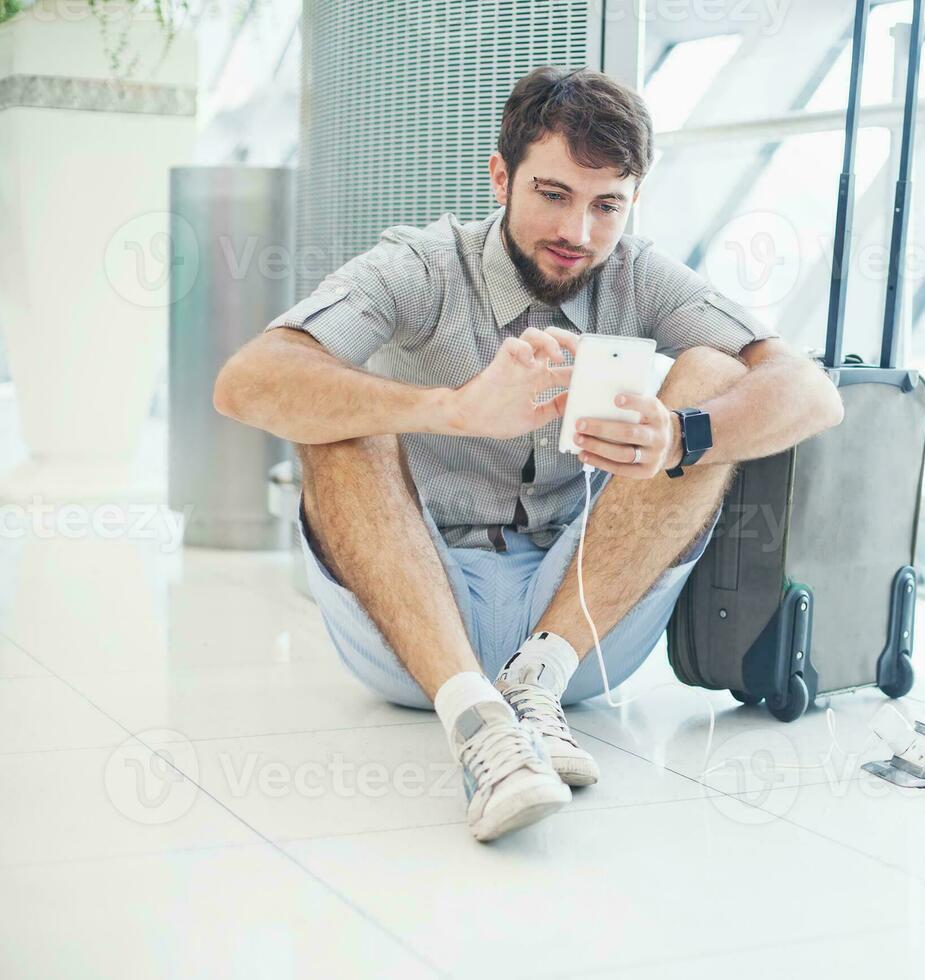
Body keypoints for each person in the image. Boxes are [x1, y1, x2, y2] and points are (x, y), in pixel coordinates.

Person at [213, 65, 845, 842]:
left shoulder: (639, 273)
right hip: (414, 616)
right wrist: (450, 409)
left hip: (575, 627)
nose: (579, 233)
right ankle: (476, 720)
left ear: (630, 203)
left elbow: (812, 392)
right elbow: (247, 381)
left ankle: (531, 685)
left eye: (606, 204)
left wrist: (680, 436)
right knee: (342, 410)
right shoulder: (418, 264)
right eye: (553, 194)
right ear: (501, 176)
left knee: (713, 378)